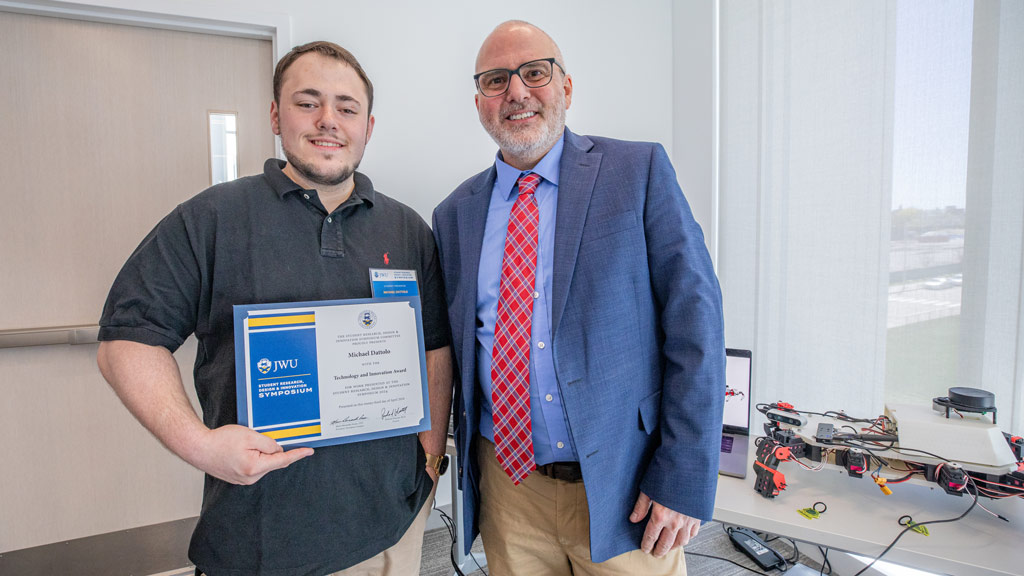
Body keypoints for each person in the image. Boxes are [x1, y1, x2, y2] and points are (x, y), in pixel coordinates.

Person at [97, 41, 452, 576]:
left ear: (368, 126)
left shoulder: (407, 230)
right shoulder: (213, 219)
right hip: (261, 540)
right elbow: (127, 340)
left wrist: (428, 461)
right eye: (308, 102)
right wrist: (201, 446)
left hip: (390, 533)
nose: (328, 120)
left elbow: (434, 347)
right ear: (275, 115)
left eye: (347, 107)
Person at [432, 21, 725, 574]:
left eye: (534, 73)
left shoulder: (636, 172)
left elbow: (697, 323)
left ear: (566, 88)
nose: (516, 92)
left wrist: (685, 473)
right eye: (497, 80)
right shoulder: (454, 215)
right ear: (480, 104)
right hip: (509, 487)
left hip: (624, 481)